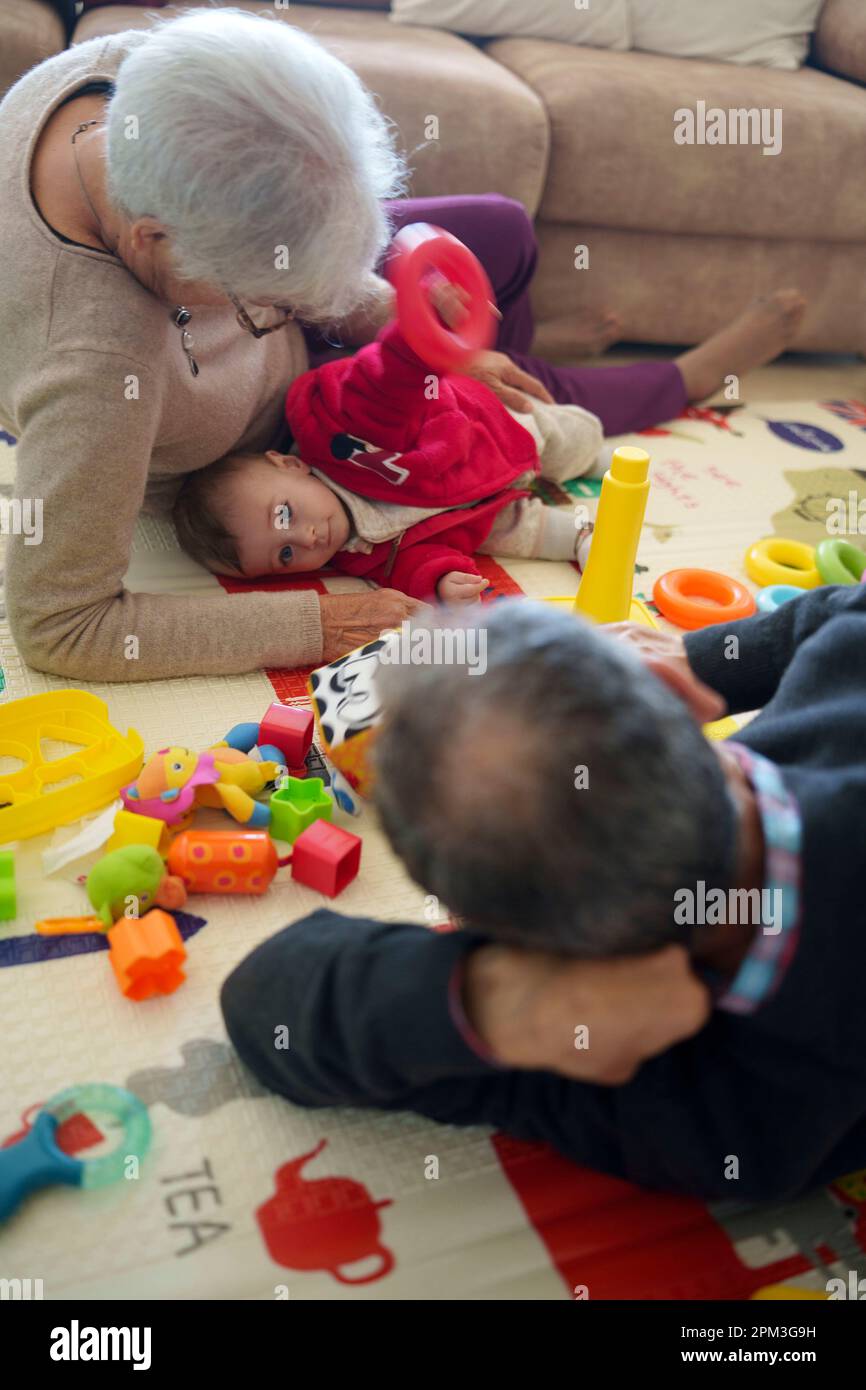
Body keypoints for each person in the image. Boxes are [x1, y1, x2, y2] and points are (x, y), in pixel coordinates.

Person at [0, 9, 805, 681]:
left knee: (503, 234)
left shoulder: (148, 73)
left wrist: (410, 327)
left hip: (303, 348)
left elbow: (312, 277)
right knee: (527, 401)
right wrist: (318, 623)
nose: (294, 303)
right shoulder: (95, 369)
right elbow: (60, 626)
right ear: (153, 240)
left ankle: (518, 343)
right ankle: (684, 376)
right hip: (287, 440)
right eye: (266, 293)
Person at [222, 586, 866, 1201]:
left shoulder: (722, 1108)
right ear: (676, 693)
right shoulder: (846, 662)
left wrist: (499, 1002)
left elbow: (268, 1002)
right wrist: (699, 656)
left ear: (475, 919)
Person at [171, 304, 603, 599]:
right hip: (480, 509)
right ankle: (584, 535)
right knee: (508, 535)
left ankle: (596, 450)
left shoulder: (346, 437)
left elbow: (383, 383)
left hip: (495, 430)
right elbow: (408, 566)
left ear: (289, 463)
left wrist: (419, 334)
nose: (306, 538)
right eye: (285, 556)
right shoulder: (361, 555)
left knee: (578, 441)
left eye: (284, 515)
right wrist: (438, 582)